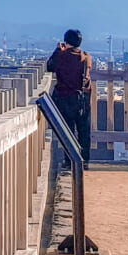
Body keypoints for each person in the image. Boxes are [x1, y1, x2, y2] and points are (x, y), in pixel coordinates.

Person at [47, 29, 93, 169]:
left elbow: (50, 66)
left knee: (69, 131)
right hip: (83, 99)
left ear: (66, 41)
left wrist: (57, 50)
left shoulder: (62, 56)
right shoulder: (86, 56)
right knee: (84, 131)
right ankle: (84, 162)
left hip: (66, 98)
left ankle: (70, 161)